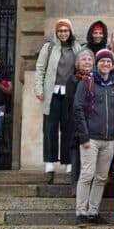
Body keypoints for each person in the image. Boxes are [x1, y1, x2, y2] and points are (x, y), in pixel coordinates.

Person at [72, 49, 114, 225]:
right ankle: (81, 212)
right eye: (102, 61)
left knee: (102, 177)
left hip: (109, 139)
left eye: (109, 62)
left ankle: (93, 211)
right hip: (91, 138)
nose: (105, 64)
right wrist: (84, 135)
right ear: (97, 63)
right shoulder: (87, 81)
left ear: (113, 65)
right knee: (87, 174)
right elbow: (78, 108)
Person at [34, 19, 83, 174]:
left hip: (70, 94)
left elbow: (81, 68)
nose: (63, 33)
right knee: (50, 127)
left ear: (70, 32)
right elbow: (40, 69)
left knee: (69, 128)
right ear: (56, 32)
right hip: (51, 93)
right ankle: (49, 161)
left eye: (65, 31)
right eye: (60, 31)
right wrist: (38, 89)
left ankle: (68, 161)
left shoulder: (77, 48)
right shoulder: (48, 48)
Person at [63, 48, 95, 196]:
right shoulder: (72, 80)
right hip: (76, 124)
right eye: (84, 59)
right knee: (76, 157)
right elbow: (71, 102)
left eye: (89, 59)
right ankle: (75, 187)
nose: (87, 62)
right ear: (77, 63)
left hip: (94, 124)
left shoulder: (97, 79)